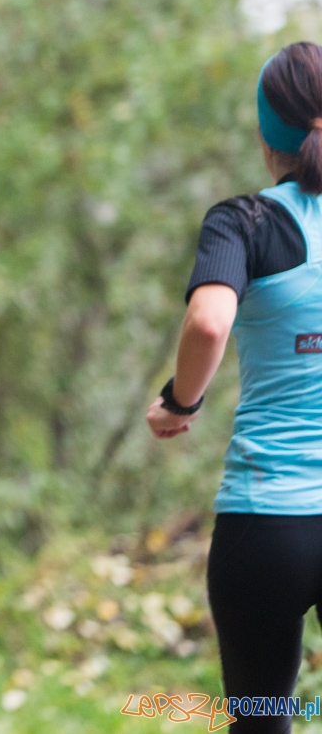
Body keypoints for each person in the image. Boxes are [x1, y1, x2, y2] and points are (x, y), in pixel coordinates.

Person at [147, 41, 322, 732]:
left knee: (260, 719)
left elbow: (209, 322)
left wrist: (179, 400)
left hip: (265, 523)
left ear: (264, 133)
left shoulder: (242, 221)